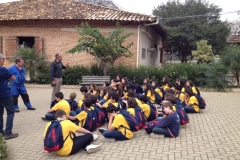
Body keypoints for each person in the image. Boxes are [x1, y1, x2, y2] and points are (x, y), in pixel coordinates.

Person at [0, 54, 18, 140]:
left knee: (0, 113)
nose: (4, 61)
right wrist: (7, 79)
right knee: (10, 112)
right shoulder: (2, 69)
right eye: (3, 59)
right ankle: (8, 133)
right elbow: (13, 77)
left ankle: (1, 132)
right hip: (5, 94)